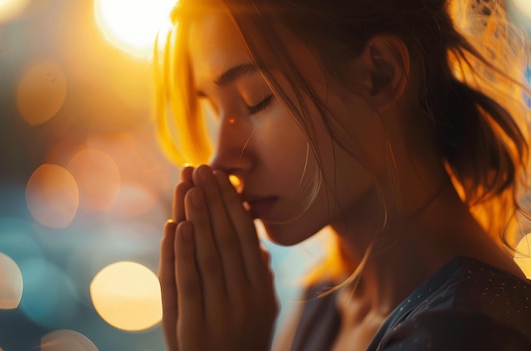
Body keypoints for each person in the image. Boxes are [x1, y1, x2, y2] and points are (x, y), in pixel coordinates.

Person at [153, 0, 531, 350]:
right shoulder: (330, 298)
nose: (221, 158)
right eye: (215, 111)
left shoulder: (469, 332)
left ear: (379, 74)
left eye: (257, 99)